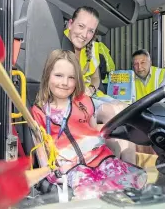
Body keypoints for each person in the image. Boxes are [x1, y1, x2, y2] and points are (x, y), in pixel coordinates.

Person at [31, 49, 147, 199]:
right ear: (47, 76)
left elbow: (94, 134)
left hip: (102, 160)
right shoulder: (39, 110)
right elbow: (41, 149)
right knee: (93, 194)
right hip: (72, 169)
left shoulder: (84, 102)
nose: (64, 83)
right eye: (58, 75)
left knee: (134, 182)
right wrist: (51, 174)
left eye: (71, 77)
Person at [64, 6, 136, 164]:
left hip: (93, 94)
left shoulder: (93, 48)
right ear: (70, 24)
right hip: (77, 99)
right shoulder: (59, 43)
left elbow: (96, 78)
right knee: (112, 112)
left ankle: (131, 172)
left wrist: (92, 88)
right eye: (81, 26)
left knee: (126, 110)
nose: (84, 35)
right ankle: (115, 170)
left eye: (90, 31)